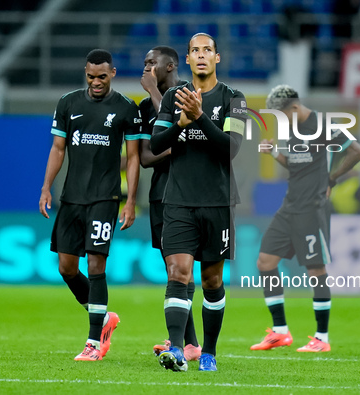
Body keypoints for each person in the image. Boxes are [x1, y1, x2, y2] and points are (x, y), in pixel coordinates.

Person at [39, 49, 144, 361]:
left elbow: (135, 156)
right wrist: (46, 187)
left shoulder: (127, 108)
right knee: (66, 268)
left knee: (96, 264)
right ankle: (104, 318)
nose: (96, 82)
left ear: (112, 73)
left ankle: (94, 342)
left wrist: (130, 202)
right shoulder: (68, 103)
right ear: (85, 73)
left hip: (104, 197)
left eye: (102, 77)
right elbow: (58, 148)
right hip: (71, 197)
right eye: (90, 77)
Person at [150, 33, 246, 372]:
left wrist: (200, 118)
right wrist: (181, 122)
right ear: (188, 60)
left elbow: (232, 149)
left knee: (211, 281)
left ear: (217, 58)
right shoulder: (172, 98)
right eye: (195, 51)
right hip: (177, 201)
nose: (201, 55)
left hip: (218, 203)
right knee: (178, 272)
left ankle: (210, 352)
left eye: (207, 50)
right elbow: (155, 144)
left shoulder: (235, 98)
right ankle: (177, 349)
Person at [249, 85, 360, 353]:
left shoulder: (323, 125)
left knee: (316, 271)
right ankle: (280, 332)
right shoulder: (291, 129)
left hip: (312, 209)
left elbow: (357, 151)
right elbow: (296, 164)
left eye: (280, 114)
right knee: (265, 262)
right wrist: (275, 154)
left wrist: (332, 178)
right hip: (289, 206)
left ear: (294, 107)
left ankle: (321, 339)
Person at [137, 45, 202, 362]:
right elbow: (147, 156)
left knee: (182, 269)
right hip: (160, 192)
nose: (147, 67)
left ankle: (189, 344)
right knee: (175, 270)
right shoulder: (144, 107)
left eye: (153, 62)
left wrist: (153, 93)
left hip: (186, 192)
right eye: (145, 62)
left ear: (171, 65)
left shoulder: (190, 95)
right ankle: (188, 343)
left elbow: (186, 140)